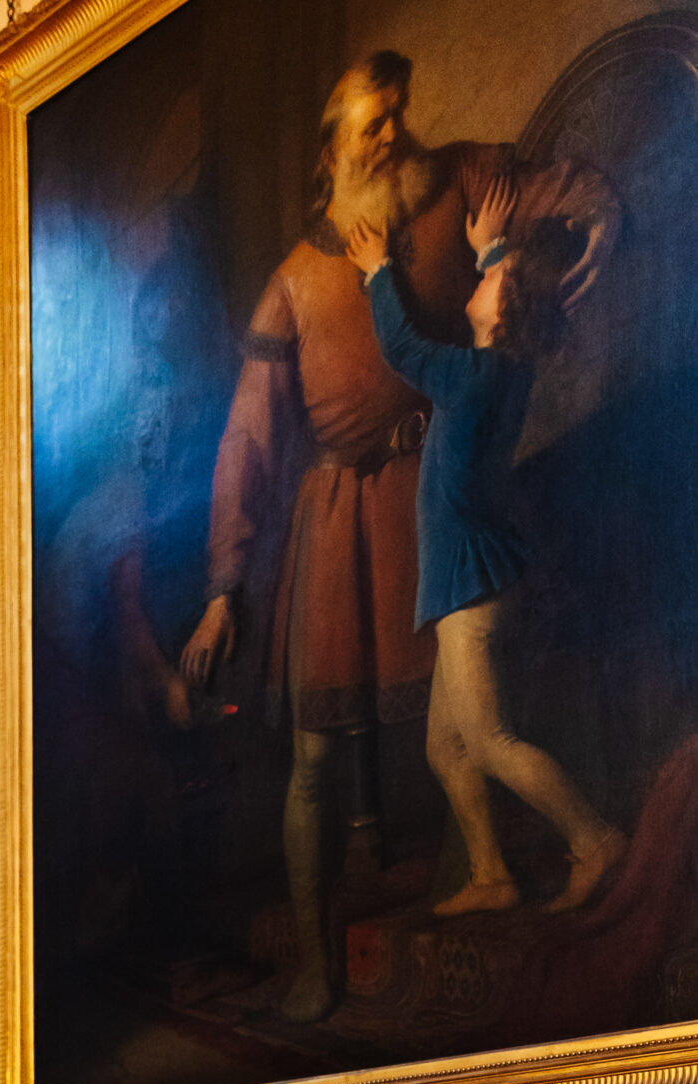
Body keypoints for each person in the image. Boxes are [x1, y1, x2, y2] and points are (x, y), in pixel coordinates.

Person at [181, 50, 615, 1017]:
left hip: (443, 503)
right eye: (374, 121)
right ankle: (314, 961)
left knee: (472, 721)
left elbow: (566, 186)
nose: (396, 132)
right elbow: (248, 444)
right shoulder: (293, 281)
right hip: (342, 524)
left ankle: (521, 864)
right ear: (331, 147)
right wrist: (223, 586)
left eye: (398, 114)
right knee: (334, 756)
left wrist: (600, 221)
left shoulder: (456, 184)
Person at [348, 185, 627, 915]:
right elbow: (505, 308)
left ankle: (594, 841)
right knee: (447, 750)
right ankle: (490, 876)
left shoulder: (469, 380)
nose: (480, 283)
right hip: (468, 581)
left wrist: (378, 269)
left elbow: (402, 347)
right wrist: (493, 250)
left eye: (491, 281)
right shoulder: (504, 368)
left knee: (492, 740)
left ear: (499, 311)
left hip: (467, 590)